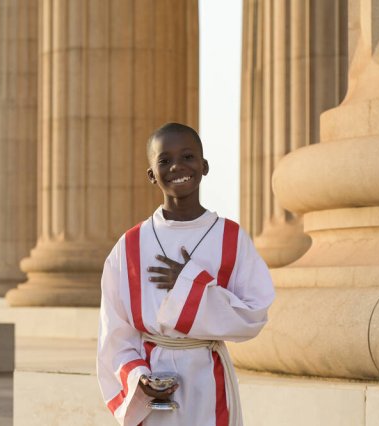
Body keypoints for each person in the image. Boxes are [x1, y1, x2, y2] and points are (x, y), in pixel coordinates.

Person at [97, 122, 275, 426]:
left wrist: (190, 283)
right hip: (153, 378)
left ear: (204, 166)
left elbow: (254, 313)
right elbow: (115, 330)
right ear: (152, 175)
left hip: (208, 376)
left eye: (188, 156)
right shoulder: (130, 245)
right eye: (164, 161)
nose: (177, 166)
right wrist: (139, 377)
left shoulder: (230, 236)